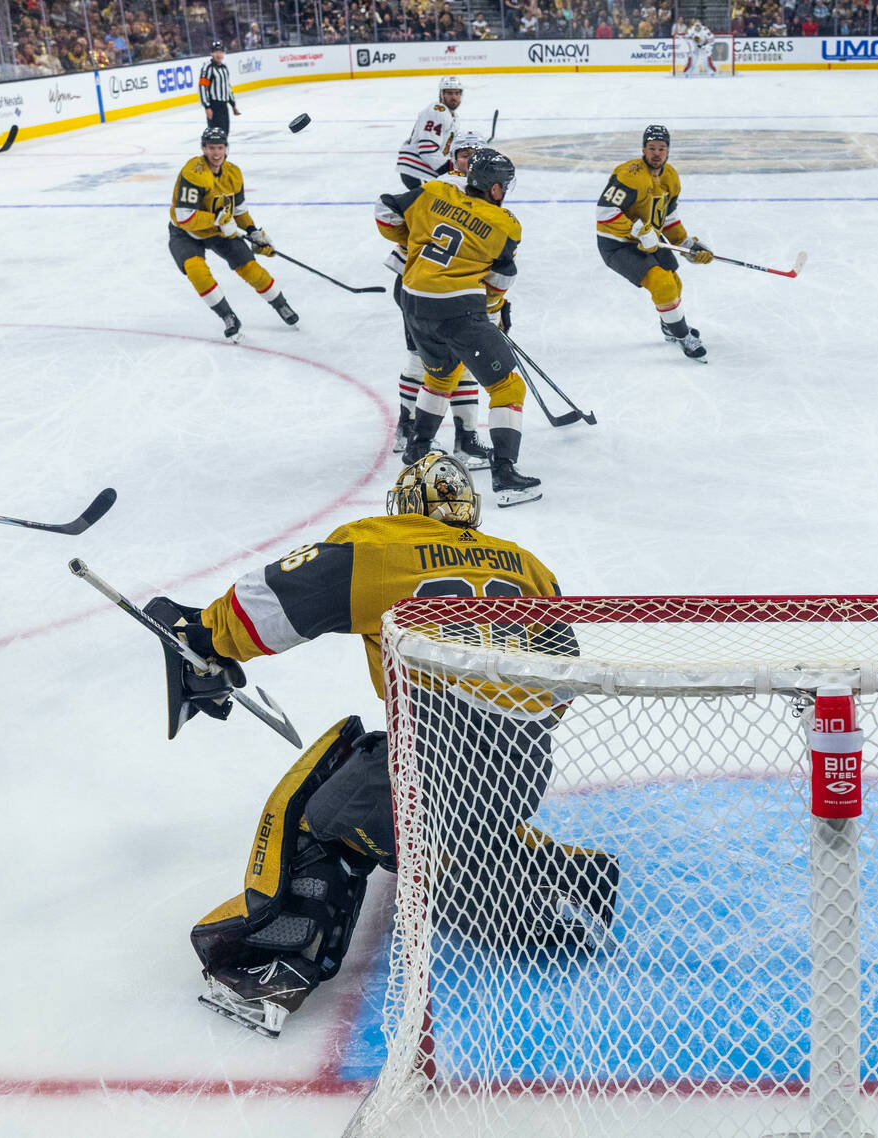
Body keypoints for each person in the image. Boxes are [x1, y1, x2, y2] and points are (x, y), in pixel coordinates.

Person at [143, 453, 610, 1035]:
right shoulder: (529, 567)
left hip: (434, 762)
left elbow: (268, 606)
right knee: (405, 794)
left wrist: (207, 639)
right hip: (520, 772)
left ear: (408, 506)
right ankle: (543, 880)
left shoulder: (383, 545)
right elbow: (563, 674)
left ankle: (276, 962)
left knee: (324, 810)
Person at [376, 149, 541, 508]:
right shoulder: (505, 225)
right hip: (458, 310)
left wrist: (413, 239)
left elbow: (385, 211)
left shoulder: (434, 192)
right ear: (495, 189)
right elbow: (501, 276)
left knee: (441, 374)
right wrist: (493, 314)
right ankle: (506, 474)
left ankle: (417, 449)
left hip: (414, 302)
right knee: (507, 386)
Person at [385, 130, 494, 468]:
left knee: (460, 365)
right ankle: (410, 428)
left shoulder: (480, 192)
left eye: (476, 154)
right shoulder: (440, 187)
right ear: (452, 156)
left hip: (452, 293)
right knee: (423, 363)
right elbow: (392, 215)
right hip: (420, 288)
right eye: (464, 153)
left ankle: (463, 438)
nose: (470, 159)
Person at [595, 124, 712, 362]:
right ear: (643, 149)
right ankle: (682, 336)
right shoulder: (630, 175)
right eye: (651, 148)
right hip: (616, 243)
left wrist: (687, 243)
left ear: (668, 151)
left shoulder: (670, 177)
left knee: (674, 281)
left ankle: (670, 327)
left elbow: (667, 217)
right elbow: (604, 212)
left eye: (661, 148)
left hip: (648, 241)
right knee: (662, 284)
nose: (656, 153)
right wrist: (636, 231)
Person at [169, 126, 298, 340]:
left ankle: (281, 305)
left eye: (220, 147)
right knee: (196, 271)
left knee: (251, 269)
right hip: (186, 233)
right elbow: (184, 216)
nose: (216, 153)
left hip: (220, 229)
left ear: (227, 149)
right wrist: (217, 221)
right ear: (203, 149)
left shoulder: (233, 173)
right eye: (211, 148)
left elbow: (239, 211)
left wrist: (253, 232)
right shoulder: (194, 172)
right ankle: (228, 316)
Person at [395, 75, 462, 190]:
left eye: (457, 93)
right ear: (441, 95)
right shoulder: (437, 111)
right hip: (417, 169)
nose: (454, 97)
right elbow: (427, 149)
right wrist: (448, 169)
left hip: (423, 168)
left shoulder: (453, 116)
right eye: (449, 93)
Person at [198, 40, 237, 137]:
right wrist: (207, 107)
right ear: (211, 53)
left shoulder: (224, 68)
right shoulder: (207, 68)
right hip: (214, 106)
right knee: (214, 135)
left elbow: (227, 86)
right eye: (216, 52)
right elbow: (202, 87)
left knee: (225, 133)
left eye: (220, 52)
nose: (218, 54)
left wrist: (233, 104)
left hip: (223, 106)